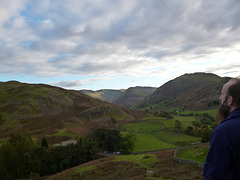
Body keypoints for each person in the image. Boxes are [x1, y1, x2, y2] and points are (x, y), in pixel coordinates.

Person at [203, 78, 240, 179]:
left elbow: (216, 175)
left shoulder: (225, 131)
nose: (220, 98)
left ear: (230, 100)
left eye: (222, 94)